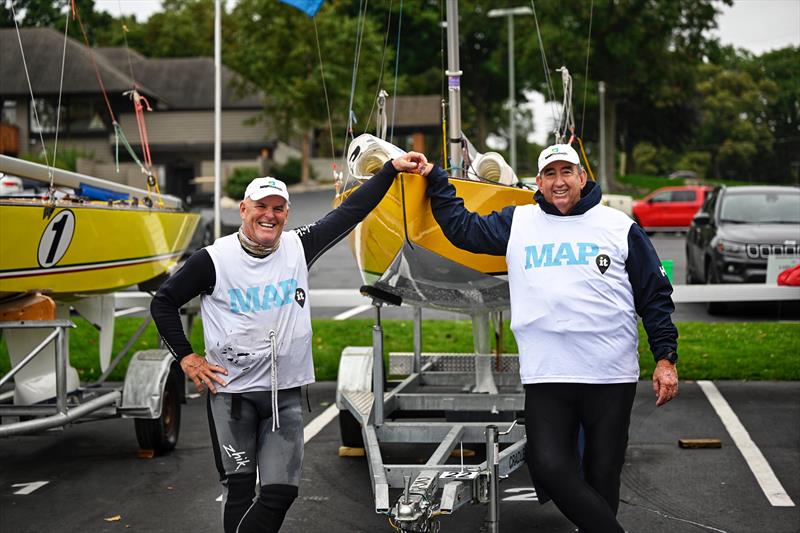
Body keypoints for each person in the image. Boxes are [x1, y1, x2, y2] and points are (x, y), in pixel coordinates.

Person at [150, 152, 429, 533]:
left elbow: (351, 212)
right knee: (240, 489)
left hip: (284, 393)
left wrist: (389, 170)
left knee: (281, 493)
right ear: (244, 209)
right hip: (233, 395)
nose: (270, 215)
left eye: (278, 208)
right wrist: (186, 358)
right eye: (261, 206)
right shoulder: (213, 260)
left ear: (287, 212)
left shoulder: (299, 246)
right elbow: (163, 302)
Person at [419, 144, 679, 533]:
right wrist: (435, 178)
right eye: (550, 174)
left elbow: (654, 295)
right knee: (550, 467)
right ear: (538, 182)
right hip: (547, 375)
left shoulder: (619, 226)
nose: (559, 182)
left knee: (603, 474)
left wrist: (665, 358)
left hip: (610, 375)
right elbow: (462, 229)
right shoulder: (519, 222)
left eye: (566, 172)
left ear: (582, 177)